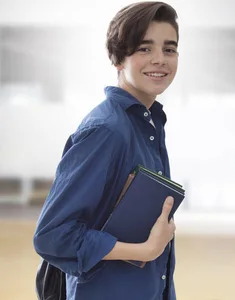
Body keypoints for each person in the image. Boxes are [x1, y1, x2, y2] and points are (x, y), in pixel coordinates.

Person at [33, 2, 180, 299]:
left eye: (169, 49)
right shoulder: (106, 131)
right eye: (144, 49)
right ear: (118, 59)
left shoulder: (148, 126)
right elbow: (52, 236)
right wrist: (146, 250)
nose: (159, 60)